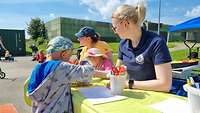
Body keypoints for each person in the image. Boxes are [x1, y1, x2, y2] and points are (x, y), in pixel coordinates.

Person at [111, 2, 172, 92]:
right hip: (133, 94)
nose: (114, 31)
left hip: (156, 97)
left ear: (125, 23)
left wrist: (129, 84)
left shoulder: (156, 42)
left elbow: (165, 85)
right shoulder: (123, 44)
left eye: (114, 27)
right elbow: (117, 72)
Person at [27, 36, 94, 113]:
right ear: (64, 54)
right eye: (70, 55)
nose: (70, 58)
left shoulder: (38, 67)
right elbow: (88, 71)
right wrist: (86, 59)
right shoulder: (62, 67)